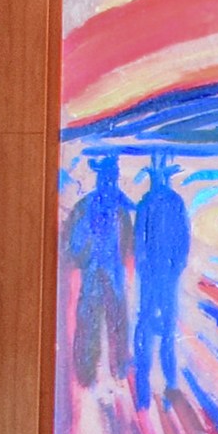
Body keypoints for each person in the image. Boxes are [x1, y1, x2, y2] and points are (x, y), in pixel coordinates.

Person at [64, 152, 132, 387]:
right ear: (100, 178)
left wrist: (118, 261)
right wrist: (86, 258)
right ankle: (86, 373)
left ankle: (120, 368)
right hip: (93, 274)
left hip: (113, 274)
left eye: (113, 178)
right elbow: (71, 242)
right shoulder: (84, 207)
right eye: (107, 178)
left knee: (118, 321)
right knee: (89, 321)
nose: (110, 183)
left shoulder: (120, 208)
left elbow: (127, 242)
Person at [132, 152, 190, 410]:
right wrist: (146, 267)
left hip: (165, 273)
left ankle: (168, 386)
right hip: (155, 274)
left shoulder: (171, 202)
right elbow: (139, 240)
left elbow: (183, 238)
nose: (158, 182)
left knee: (164, 329)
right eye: (156, 178)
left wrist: (176, 266)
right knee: (147, 325)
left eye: (160, 178)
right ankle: (145, 389)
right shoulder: (147, 202)